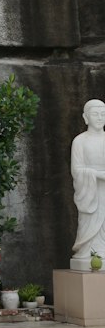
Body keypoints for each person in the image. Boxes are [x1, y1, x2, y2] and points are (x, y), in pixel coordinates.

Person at [71, 99, 105, 270]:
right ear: (85, 117)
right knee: (89, 223)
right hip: (89, 192)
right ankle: (88, 251)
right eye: (95, 114)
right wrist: (97, 175)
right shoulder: (80, 141)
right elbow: (77, 170)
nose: (99, 117)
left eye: (103, 114)